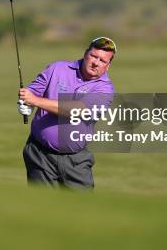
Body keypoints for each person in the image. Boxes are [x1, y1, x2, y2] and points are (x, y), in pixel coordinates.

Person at [17, 36, 117, 189]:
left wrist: (35, 101)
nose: (96, 62)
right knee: (41, 209)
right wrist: (25, 102)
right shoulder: (57, 69)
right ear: (85, 54)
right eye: (93, 56)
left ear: (108, 66)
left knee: (82, 209)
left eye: (102, 61)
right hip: (40, 155)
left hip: (75, 161)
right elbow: (32, 91)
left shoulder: (105, 89)